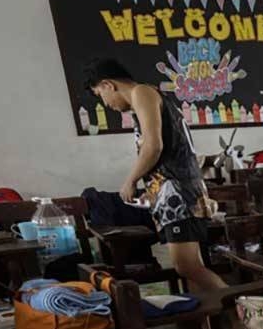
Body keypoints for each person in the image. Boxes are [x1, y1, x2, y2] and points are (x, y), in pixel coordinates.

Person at [84, 59, 225, 295]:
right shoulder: (145, 98)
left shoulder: (142, 92)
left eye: (100, 95)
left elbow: (153, 147)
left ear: (108, 84)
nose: (106, 104)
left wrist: (130, 180)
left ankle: (248, 310)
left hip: (177, 194)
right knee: (191, 267)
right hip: (173, 194)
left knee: (187, 266)